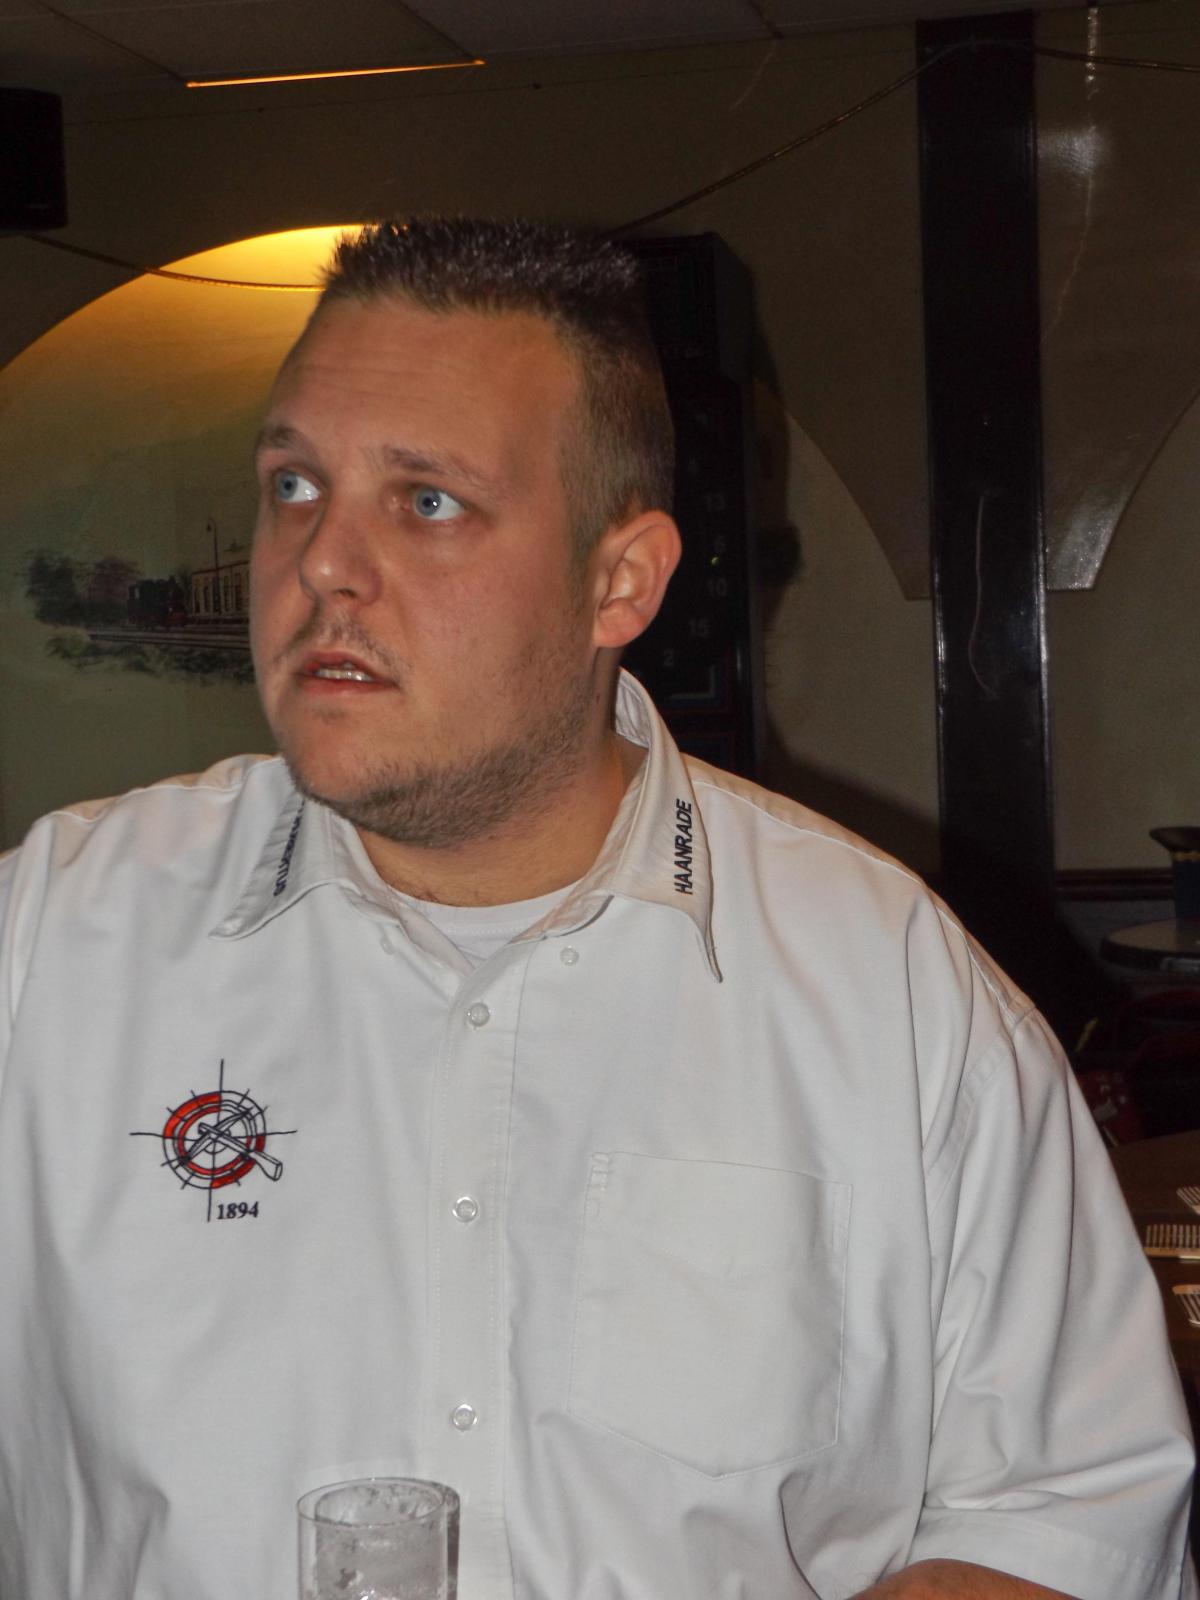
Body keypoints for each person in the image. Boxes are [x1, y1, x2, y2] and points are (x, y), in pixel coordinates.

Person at [0, 216, 1193, 1600]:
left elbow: (1069, 1517)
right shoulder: (53, 942)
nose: (321, 561)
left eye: (426, 501)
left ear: (618, 581)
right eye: (294, 484)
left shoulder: (890, 988)